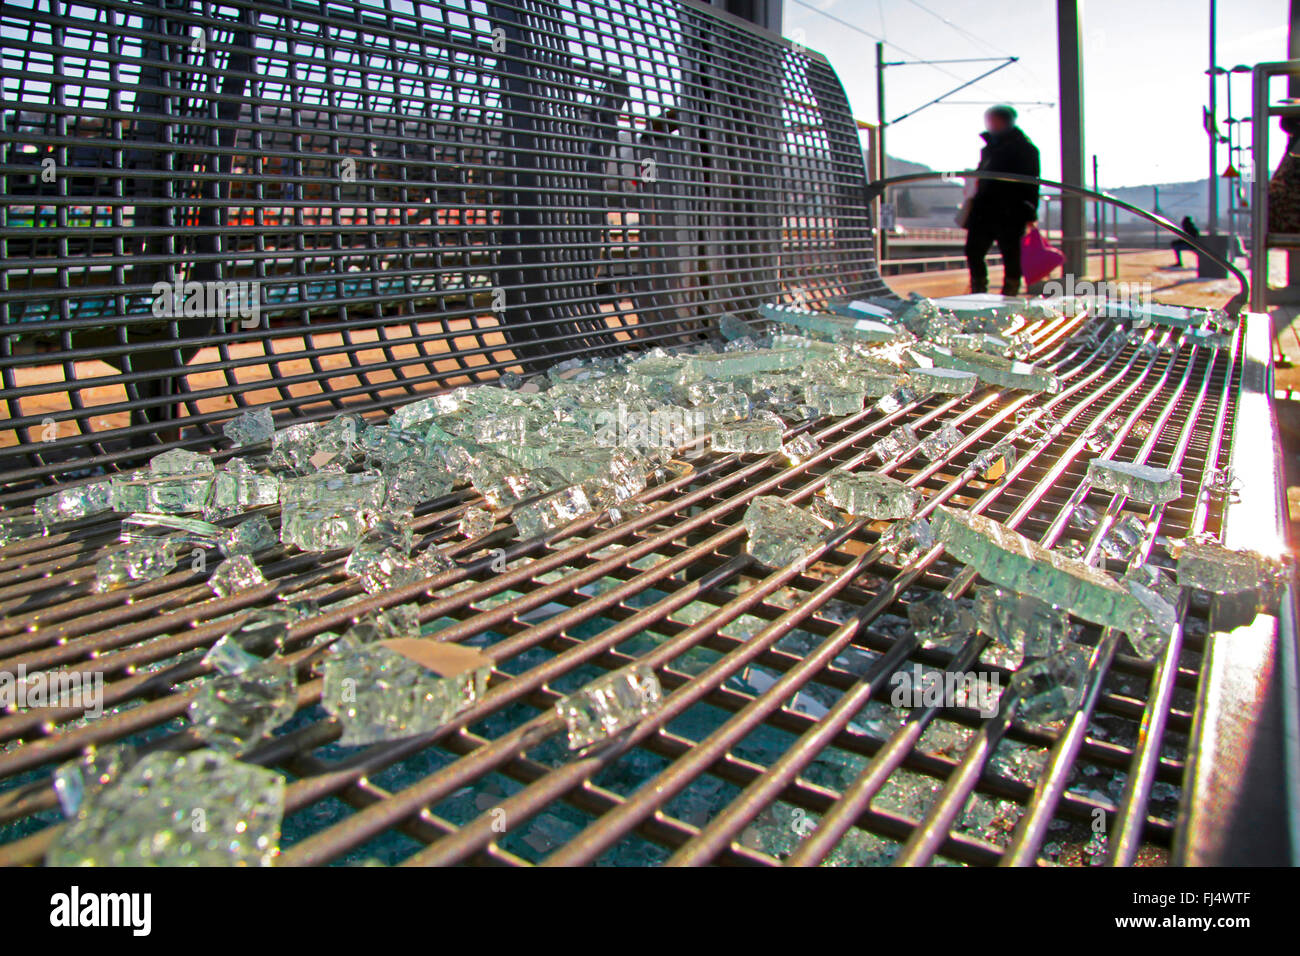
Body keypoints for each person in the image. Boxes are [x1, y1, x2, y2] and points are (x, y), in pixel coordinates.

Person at [964, 105, 1040, 295]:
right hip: (985, 209)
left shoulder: (1025, 149)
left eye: (992, 120)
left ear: (1005, 122)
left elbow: (1032, 182)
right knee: (974, 250)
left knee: (1011, 254)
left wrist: (1030, 210)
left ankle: (1009, 295)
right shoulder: (989, 148)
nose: (989, 125)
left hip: (1011, 210)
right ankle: (979, 291)